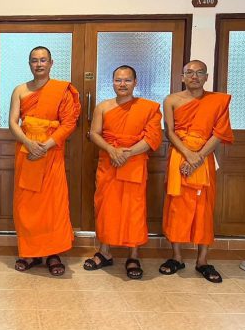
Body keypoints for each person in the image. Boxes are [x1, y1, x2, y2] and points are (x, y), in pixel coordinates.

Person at [83, 66, 162, 279]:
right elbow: (94, 134)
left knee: (134, 209)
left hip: (134, 163)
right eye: (118, 80)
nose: (122, 84)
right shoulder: (103, 107)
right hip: (109, 163)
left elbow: (153, 138)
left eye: (127, 80)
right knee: (105, 207)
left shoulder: (149, 108)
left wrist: (127, 153)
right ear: (113, 82)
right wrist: (111, 150)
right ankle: (104, 252)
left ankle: (133, 255)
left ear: (135, 82)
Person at [159, 60, 233, 284]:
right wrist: (187, 155)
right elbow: (169, 132)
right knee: (176, 206)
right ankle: (177, 257)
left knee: (204, 208)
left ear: (206, 77)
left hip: (204, 158)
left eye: (200, 72)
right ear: (182, 77)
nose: (194, 76)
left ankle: (202, 260)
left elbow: (219, 133)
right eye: (189, 72)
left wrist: (198, 157)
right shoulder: (171, 100)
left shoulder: (217, 101)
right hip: (179, 155)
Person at [9, 46, 81, 276]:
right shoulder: (20, 90)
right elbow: (12, 122)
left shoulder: (62, 90)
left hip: (51, 154)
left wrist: (45, 146)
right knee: (26, 205)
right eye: (34, 60)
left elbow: (69, 123)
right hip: (27, 152)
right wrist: (29, 143)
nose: (39, 64)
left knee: (52, 205)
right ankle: (29, 253)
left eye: (43, 60)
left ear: (51, 63)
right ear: (29, 64)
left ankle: (53, 254)